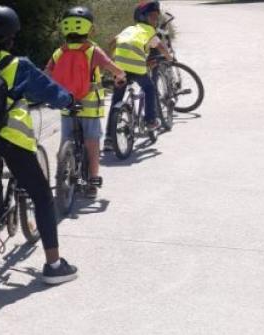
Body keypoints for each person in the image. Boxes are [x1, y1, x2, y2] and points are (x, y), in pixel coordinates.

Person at [0, 5, 78, 284]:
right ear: (11, 36)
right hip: (12, 140)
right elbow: (51, 92)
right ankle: (53, 265)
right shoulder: (19, 65)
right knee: (40, 196)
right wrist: (69, 101)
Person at [46, 6, 127, 199]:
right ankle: (92, 182)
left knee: (66, 140)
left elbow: (46, 74)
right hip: (89, 107)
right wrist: (121, 76)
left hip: (67, 105)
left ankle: (63, 174)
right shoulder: (92, 51)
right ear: (89, 29)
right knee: (92, 143)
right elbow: (112, 68)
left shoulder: (59, 52)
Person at [107, 0, 172, 146]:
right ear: (144, 17)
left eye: (156, 17)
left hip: (119, 67)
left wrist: (112, 58)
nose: (155, 20)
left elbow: (113, 42)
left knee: (116, 99)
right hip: (137, 68)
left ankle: (108, 139)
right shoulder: (149, 31)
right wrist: (169, 57)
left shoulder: (129, 29)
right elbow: (161, 46)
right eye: (153, 17)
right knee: (149, 88)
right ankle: (150, 121)